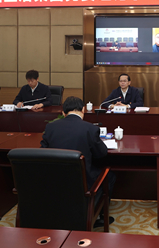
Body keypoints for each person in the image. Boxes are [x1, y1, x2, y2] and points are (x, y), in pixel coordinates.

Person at [41, 96, 115, 227]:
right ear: (83, 110)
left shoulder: (50, 127)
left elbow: (43, 152)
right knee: (109, 176)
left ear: (63, 112)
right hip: (83, 181)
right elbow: (101, 153)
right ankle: (98, 215)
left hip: (55, 178)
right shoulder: (90, 128)